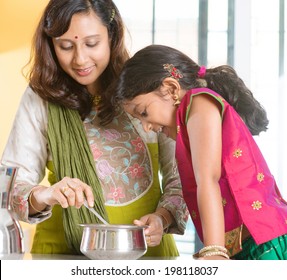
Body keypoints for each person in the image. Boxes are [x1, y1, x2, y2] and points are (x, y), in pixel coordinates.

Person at [1, 1, 188, 257]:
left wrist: (162, 218)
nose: (80, 59)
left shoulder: (146, 90)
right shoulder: (41, 97)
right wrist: (46, 195)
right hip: (62, 256)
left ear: (112, 35)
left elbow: (183, 179)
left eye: (91, 44)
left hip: (148, 255)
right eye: (65, 46)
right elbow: (10, 187)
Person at [112, 44, 287, 260]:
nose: (147, 127)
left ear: (171, 89)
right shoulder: (188, 118)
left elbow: (208, 180)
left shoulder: (199, 103)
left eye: (144, 112)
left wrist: (214, 251)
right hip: (246, 245)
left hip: (263, 243)